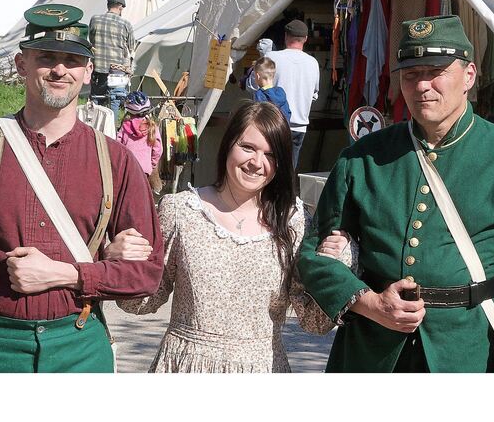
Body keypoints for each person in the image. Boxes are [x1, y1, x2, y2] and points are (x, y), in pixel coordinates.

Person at [0, 3, 164, 373]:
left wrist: (72, 273)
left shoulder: (116, 161)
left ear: (88, 73)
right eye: (46, 57)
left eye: (72, 60)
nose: (60, 69)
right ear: (22, 65)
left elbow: (147, 274)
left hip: (80, 347)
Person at [298, 15, 494, 372]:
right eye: (410, 75)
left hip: (467, 353)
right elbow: (312, 255)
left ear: (469, 75)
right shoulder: (361, 158)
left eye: (435, 71)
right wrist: (367, 302)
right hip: (370, 354)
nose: (422, 86)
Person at [106, 101, 357, 373]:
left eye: (271, 154)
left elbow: (313, 322)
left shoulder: (293, 221)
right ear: (228, 145)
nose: (257, 162)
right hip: (186, 367)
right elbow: (140, 303)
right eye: (247, 147)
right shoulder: (181, 211)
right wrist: (123, 259)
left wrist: (339, 260)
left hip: (261, 368)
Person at [266, 19, 320, 168]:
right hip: (300, 125)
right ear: (306, 39)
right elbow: (314, 95)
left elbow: (253, 85)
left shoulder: (272, 57)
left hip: (275, 122)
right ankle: (286, 192)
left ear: (285, 36)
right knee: (289, 168)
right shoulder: (313, 63)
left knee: (270, 166)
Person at [89, 0, 136, 124]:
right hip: (117, 71)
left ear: (108, 5)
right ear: (120, 7)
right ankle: (111, 133)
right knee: (114, 101)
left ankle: (93, 130)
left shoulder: (95, 19)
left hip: (98, 69)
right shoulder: (125, 23)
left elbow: (91, 40)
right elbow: (131, 48)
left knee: (96, 101)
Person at [117, 90, 163, 177]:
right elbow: (158, 150)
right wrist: (152, 164)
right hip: (145, 169)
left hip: (128, 169)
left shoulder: (125, 127)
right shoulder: (152, 127)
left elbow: (118, 146)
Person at [252, 56, 291, 123]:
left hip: (266, 131)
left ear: (258, 76)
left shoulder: (259, 94)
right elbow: (288, 112)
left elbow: (257, 117)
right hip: (282, 129)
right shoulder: (281, 92)